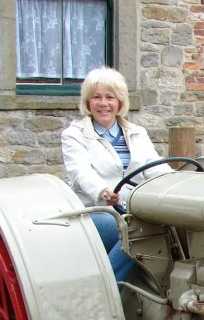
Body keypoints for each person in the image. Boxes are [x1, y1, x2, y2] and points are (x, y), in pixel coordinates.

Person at [62, 66, 171, 284]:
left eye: (110, 97)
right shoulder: (75, 135)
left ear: (120, 102)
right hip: (95, 209)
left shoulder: (137, 133)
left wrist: (177, 182)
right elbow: (80, 172)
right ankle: (101, 294)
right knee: (132, 234)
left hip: (135, 208)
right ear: (88, 102)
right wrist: (103, 192)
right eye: (96, 97)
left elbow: (156, 167)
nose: (103, 103)